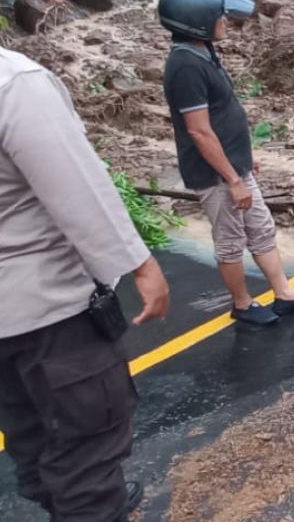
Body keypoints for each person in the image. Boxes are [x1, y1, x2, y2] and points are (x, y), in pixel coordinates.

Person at [0, 46, 170, 522]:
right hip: (48, 307)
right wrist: (139, 263)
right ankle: (88, 504)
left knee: (28, 427)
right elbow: (76, 185)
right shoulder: (14, 83)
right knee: (88, 436)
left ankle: (67, 502)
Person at [159, 0, 294, 326]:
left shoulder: (201, 51)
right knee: (231, 239)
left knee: (261, 228)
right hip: (216, 175)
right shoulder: (185, 66)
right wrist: (233, 178)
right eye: (219, 16)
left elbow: (220, 117)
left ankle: (285, 294)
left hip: (234, 167)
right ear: (197, 22)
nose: (225, 21)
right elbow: (199, 131)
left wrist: (243, 159)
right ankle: (242, 303)